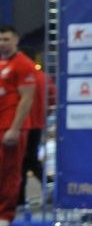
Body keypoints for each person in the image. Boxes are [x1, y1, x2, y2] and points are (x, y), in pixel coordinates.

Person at [0, 25, 37, 226]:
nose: (2, 43)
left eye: (6, 39)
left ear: (16, 40)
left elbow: (27, 99)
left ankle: (6, 213)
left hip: (12, 127)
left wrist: (15, 128)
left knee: (9, 172)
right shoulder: (1, 62)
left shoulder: (23, 64)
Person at [18, 67, 55, 208]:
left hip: (18, 124)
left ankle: (20, 199)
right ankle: (50, 183)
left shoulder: (17, 74)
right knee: (29, 159)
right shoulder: (44, 77)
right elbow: (53, 99)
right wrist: (43, 115)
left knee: (22, 161)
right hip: (37, 124)